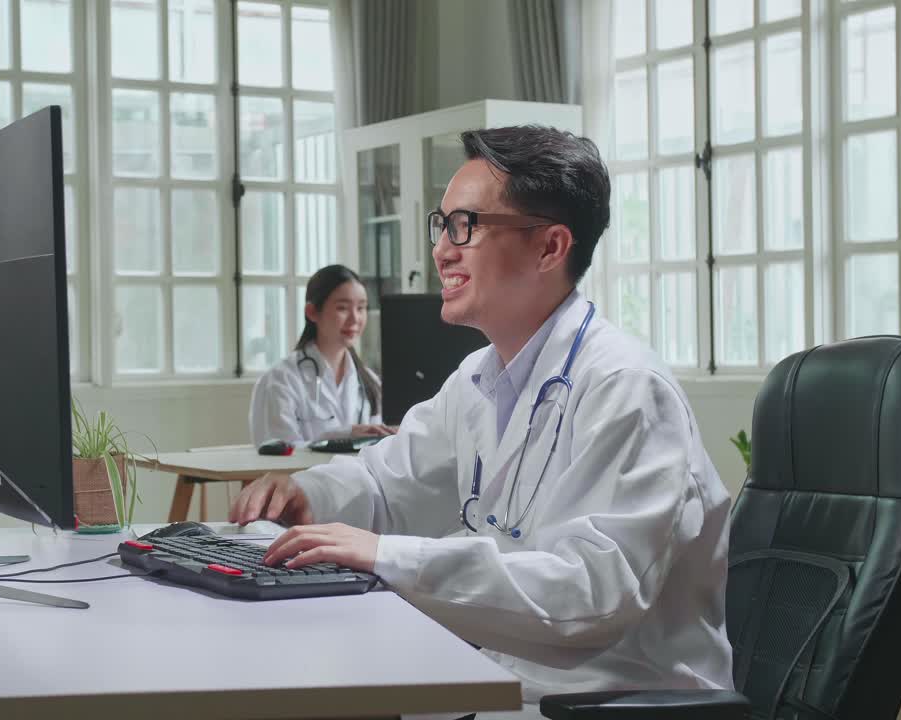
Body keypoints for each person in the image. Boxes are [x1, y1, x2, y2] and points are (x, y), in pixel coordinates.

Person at [231, 126, 733, 717]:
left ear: (550, 248)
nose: (442, 249)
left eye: (465, 225)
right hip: (500, 682)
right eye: (440, 224)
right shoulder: (478, 378)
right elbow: (388, 484)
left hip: (607, 700)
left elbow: (590, 595)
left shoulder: (628, 391)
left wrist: (385, 556)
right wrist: (307, 497)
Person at [248, 264, 395, 446]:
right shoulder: (279, 381)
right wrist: (346, 434)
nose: (355, 319)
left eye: (361, 308)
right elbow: (276, 453)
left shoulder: (369, 383)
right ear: (312, 312)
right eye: (342, 308)